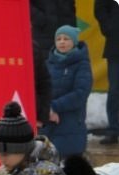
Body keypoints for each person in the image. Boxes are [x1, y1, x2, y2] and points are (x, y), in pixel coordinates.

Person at [40, 25, 92, 158]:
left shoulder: (81, 64)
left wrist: (54, 107)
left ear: (74, 42)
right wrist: (46, 110)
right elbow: (39, 88)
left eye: (66, 39)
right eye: (58, 39)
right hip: (47, 124)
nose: (62, 42)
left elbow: (80, 93)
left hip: (71, 124)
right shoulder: (48, 64)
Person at [94, 0, 119, 144]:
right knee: (115, 90)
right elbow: (100, 8)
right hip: (116, 47)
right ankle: (114, 130)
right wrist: (111, 28)